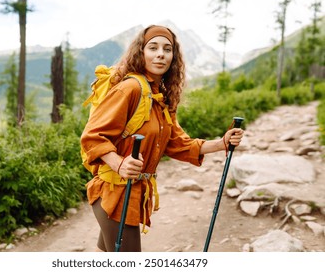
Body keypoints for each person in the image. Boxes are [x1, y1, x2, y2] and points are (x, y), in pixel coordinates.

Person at [80, 25, 244, 252]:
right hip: (113, 192)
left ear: (173, 57)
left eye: (167, 49)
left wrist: (221, 143)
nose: (160, 54)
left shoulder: (159, 97)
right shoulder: (131, 89)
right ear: (141, 52)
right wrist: (119, 164)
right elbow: (93, 136)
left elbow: (177, 143)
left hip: (129, 193)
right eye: (153, 47)